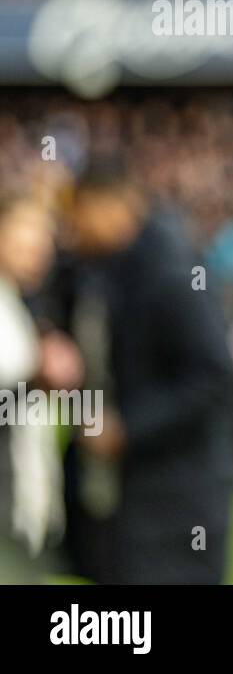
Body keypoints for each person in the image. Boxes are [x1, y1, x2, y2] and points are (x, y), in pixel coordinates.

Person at [59, 163, 233, 583]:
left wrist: (128, 428)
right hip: (144, 491)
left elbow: (212, 378)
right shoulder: (115, 265)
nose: (73, 226)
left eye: (79, 212)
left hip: (178, 496)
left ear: (109, 206)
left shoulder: (170, 273)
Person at [0, 195, 76, 582]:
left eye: (44, 239)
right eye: (24, 237)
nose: (37, 250)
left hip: (23, 506)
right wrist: (33, 384)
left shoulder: (23, 306)